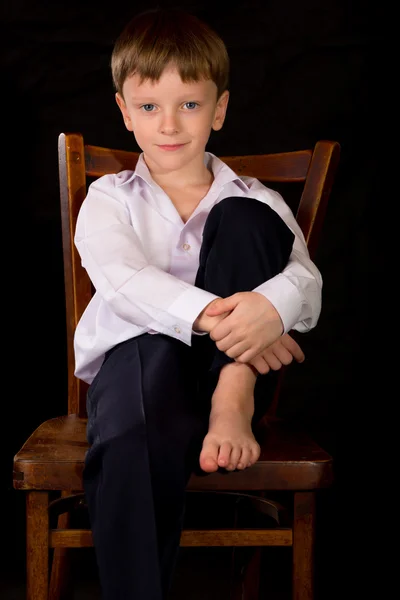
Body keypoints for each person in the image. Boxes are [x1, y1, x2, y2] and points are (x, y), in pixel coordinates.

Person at [73, 7, 321, 599]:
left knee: (245, 219)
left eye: (189, 103)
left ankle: (232, 390)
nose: (170, 123)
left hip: (223, 385)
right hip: (134, 379)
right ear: (125, 113)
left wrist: (274, 310)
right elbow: (123, 279)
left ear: (220, 109)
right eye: (151, 106)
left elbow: (306, 282)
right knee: (137, 392)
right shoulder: (109, 197)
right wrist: (246, 321)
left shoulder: (253, 196)